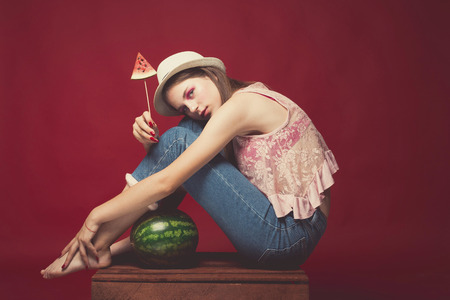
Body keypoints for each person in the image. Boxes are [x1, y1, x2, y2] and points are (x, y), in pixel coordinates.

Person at [41, 51, 339, 279]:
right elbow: (185, 173)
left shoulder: (241, 106)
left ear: (209, 74)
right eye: (184, 106)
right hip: (283, 229)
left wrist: (95, 217)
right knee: (185, 133)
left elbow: (168, 181)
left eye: (190, 93)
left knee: (181, 139)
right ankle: (108, 249)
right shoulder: (237, 105)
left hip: (287, 236)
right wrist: (152, 148)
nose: (193, 107)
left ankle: (99, 245)